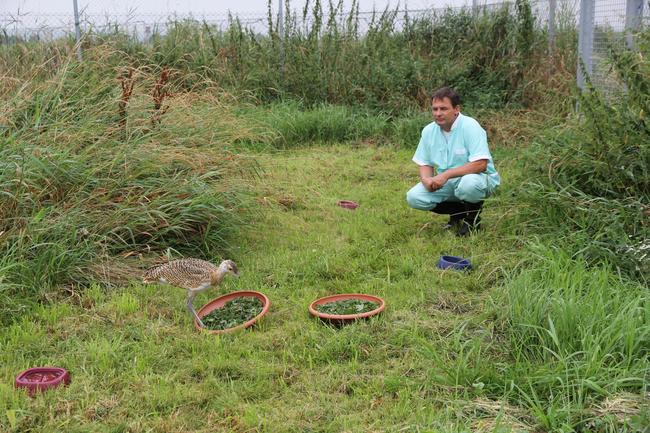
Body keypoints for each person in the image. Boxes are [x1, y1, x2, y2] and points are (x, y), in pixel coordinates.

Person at [406, 87, 500, 236]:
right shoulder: (429, 131)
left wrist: (446, 175)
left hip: (480, 179)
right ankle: (459, 213)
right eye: (435, 109)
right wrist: (427, 180)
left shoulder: (470, 126)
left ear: (456, 109)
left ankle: (472, 221)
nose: (438, 113)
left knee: (468, 184)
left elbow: (481, 164)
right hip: (449, 181)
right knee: (414, 197)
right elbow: (425, 162)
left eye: (443, 109)